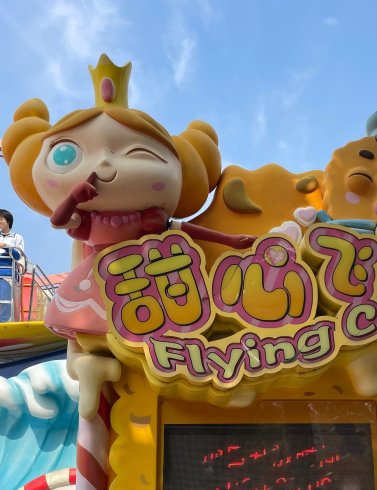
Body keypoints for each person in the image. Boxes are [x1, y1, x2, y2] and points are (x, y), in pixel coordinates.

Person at [2, 54, 254, 417]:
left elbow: (186, 229)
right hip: (104, 280)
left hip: (150, 280)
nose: (104, 163)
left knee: (178, 333)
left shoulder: (149, 218)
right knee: (82, 337)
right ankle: (88, 368)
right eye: (68, 153)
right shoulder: (87, 221)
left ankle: (218, 379)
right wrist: (74, 196)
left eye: (139, 153)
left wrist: (231, 241)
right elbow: (59, 221)